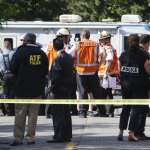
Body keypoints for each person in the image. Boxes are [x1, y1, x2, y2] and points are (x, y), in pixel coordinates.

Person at [10, 33, 49, 146]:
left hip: (21, 89)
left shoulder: (19, 53)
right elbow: (46, 71)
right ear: (34, 41)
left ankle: (18, 138)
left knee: (20, 114)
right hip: (37, 89)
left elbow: (12, 69)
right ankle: (31, 138)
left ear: (25, 41)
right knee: (33, 115)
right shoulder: (42, 54)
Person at [117, 34, 150, 142]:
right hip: (139, 87)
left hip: (126, 85)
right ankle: (131, 133)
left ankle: (121, 132)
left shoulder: (123, 54)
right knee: (135, 109)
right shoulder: (143, 55)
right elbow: (148, 70)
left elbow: (119, 69)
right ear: (138, 41)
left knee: (125, 108)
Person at [68, 29, 107, 118]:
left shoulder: (78, 44)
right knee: (97, 92)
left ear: (82, 36)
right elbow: (104, 53)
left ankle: (83, 112)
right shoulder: (95, 44)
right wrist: (99, 65)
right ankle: (102, 111)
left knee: (82, 91)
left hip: (81, 71)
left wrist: (74, 64)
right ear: (89, 36)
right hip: (93, 71)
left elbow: (69, 54)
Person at [46, 37, 74, 143]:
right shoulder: (69, 57)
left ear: (53, 47)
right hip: (67, 89)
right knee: (66, 113)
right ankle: (67, 135)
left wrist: (51, 88)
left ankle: (58, 136)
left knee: (58, 114)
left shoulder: (57, 59)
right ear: (63, 46)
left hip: (57, 90)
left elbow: (55, 77)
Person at [45, 28, 75, 118]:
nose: (68, 39)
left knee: (50, 91)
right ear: (64, 37)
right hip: (61, 71)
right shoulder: (66, 47)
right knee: (61, 91)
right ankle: (63, 110)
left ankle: (48, 111)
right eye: (67, 37)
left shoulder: (49, 46)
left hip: (50, 71)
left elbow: (46, 58)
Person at [98, 31, 119, 117]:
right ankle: (106, 111)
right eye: (100, 40)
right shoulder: (107, 48)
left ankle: (108, 111)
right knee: (105, 92)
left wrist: (106, 73)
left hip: (107, 74)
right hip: (106, 74)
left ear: (107, 40)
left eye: (102, 40)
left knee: (107, 92)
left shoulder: (109, 49)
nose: (101, 42)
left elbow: (109, 62)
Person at [134, 34, 150, 140]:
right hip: (142, 85)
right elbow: (148, 69)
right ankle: (139, 132)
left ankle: (133, 131)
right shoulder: (145, 53)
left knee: (135, 109)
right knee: (142, 109)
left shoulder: (130, 51)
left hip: (131, 84)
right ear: (148, 43)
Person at [0, 41, 16, 116]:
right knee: (13, 93)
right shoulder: (13, 53)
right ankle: (13, 111)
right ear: (10, 46)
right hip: (13, 75)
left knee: (6, 94)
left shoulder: (0, 55)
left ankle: (8, 111)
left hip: (5, 75)